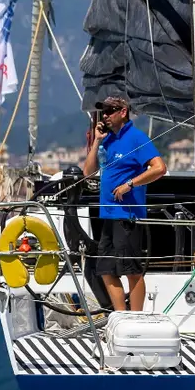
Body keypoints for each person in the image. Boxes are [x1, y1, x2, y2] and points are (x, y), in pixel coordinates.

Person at [81, 96, 166, 312]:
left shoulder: (137, 138)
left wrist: (130, 184)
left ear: (123, 112)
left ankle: (136, 317)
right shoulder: (107, 141)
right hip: (107, 214)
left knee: (132, 270)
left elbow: (159, 168)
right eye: (104, 111)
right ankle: (121, 315)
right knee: (106, 269)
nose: (106, 115)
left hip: (127, 215)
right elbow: (88, 173)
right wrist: (97, 141)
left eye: (110, 110)